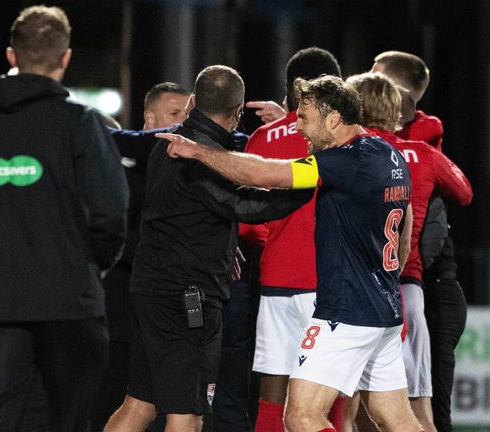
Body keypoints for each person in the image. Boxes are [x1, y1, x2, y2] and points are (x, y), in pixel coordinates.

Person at [161, 75, 420, 432]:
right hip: (386, 311)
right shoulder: (388, 153)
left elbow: (265, 173)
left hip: (346, 314)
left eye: (305, 118)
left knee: (300, 416)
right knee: (396, 418)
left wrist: (199, 151)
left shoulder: (345, 161)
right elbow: (405, 231)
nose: (298, 128)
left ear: (333, 119)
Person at [0, 6, 129, 431]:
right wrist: (88, 268)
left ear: (11, 56)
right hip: (70, 305)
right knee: (67, 421)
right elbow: (112, 213)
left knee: (0, 418)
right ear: (65, 59)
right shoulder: (81, 124)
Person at [105, 65, 312, 432]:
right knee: (188, 412)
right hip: (187, 298)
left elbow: (183, 211)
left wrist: (223, 244)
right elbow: (243, 205)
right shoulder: (204, 154)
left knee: (139, 404)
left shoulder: (165, 144)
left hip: (149, 289)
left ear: (194, 102)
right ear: (237, 113)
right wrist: (309, 187)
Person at [346, 72, 473, 432]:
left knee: (351, 412)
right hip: (408, 288)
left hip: (357, 290)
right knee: (417, 412)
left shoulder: (345, 155)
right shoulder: (422, 154)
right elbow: (464, 192)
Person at [243, 47, 347, 432]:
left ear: (289, 92)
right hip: (334, 282)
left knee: (273, 388)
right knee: (327, 395)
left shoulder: (265, 136)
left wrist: (273, 241)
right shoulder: (350, 139)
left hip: (278, 279)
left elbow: (247, 222)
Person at [92, 81, 190, 431]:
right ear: (149, 120)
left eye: (189, 115)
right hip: (120, 308)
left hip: (172, 307)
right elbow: (106, 235)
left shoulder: (191, 167)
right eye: (175, 114)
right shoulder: (118, 168)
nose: (183, 123)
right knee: (115, 400)